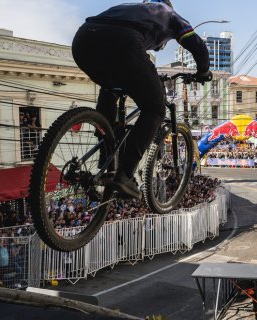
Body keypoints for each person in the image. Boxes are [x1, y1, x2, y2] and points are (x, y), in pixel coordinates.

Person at [71, 0, 212, 199]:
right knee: (154, 108)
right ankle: (125, 174)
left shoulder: (132, 8)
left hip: (83, 40)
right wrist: (203, 70)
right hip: (123, 40)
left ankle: (107, 156)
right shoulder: (169, 13)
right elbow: (196, 44)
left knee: (111, 88)